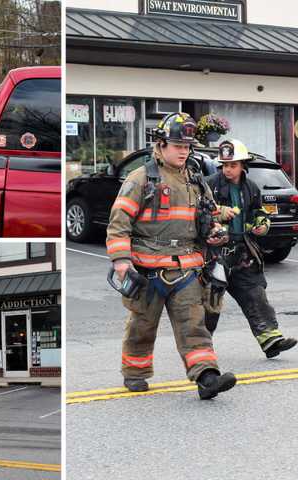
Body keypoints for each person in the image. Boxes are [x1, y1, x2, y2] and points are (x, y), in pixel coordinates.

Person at [107, 112, 237, 400]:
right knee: (142, 327)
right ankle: (135, 373)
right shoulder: (140, 178)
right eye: (177, 145)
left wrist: (216, 230)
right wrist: (121, 261)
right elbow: (119, 223)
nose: (183, 151)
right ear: (161, 144)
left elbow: (210, 214)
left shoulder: (196, 180)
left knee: (195, 326)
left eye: (187, 146)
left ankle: (207, 377)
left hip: (187, 269)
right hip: (147, 271)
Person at [204, 139, 298, 358]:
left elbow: (258, 212)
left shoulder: (251, 187)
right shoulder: (209, 185)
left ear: (243, 165)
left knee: (255, 293)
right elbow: (198, 211)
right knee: (210, 301)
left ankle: (270, 340)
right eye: (225, 165)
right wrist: (218, 212)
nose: (228, 169)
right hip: (215, 254)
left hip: (243, 252)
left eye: (233, 165)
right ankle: (200, 348)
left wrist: (263, 224)